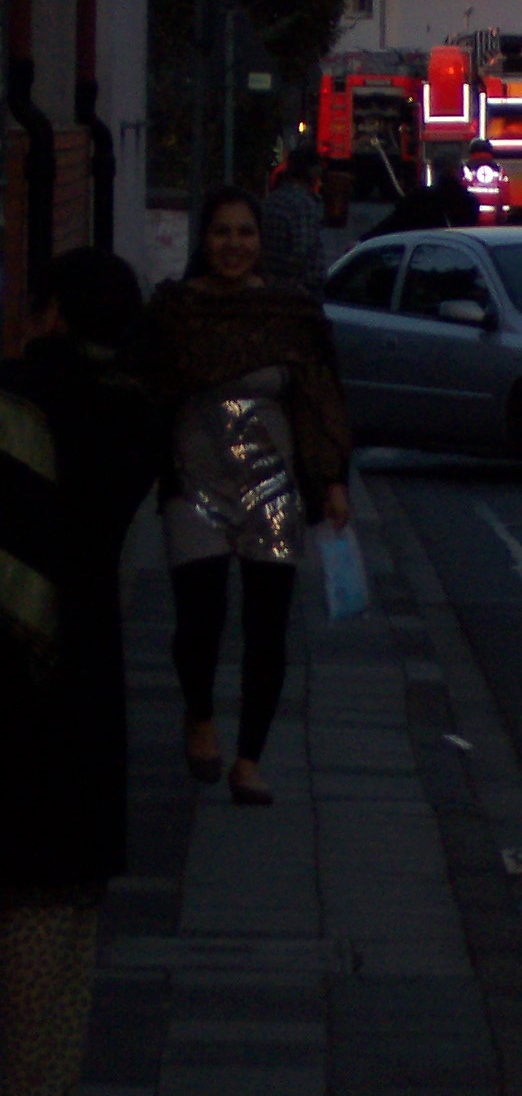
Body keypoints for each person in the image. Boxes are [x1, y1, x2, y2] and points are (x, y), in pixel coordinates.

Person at [0, 250, 163, 1096]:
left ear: (52, 314)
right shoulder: (133, 417)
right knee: (57, 906)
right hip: (83, 675)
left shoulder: (15, 401)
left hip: (11, 663)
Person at [138, 187, 355, 808]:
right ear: (203, 242)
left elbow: (320, 401)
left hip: (273, 490)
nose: (233, 245)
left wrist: (332, 479)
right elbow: (144, 391)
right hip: (195, 485)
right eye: (221, 233)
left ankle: (250, 760)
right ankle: (200, 715)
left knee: (268, 629)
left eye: (245, 233)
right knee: (198, 621)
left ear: (261, 242)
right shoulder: (174, 313)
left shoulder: (289, 314)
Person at [260, 146, 328, 297]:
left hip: (271, 285)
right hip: (301, 291)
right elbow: (302, 252)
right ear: (313, 172)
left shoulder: (272, 200)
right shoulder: (305, 204)